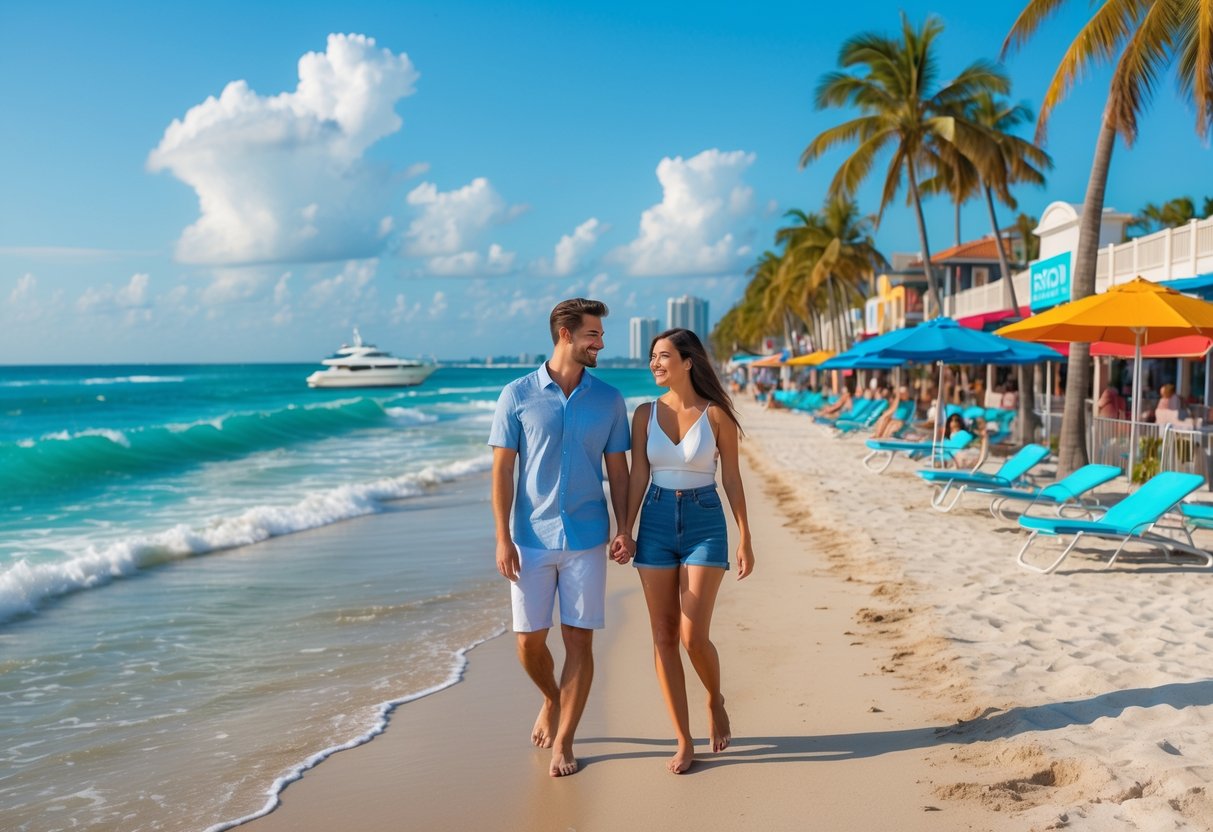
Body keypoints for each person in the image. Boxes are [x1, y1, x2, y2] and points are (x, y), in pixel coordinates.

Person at [489, 298, 632, 777]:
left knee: (579, 642)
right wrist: (502, 538)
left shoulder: (609, 399)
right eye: (594, 334)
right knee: (529, 642)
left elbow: (619, 470)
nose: (601, 343)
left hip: (588, 536)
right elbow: (503, 470)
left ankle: (565, 742)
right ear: (565, 335)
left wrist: (625, 527)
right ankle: (553, 698)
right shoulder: (517, 395)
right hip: (529, 537)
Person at [614, 328, 755, 775]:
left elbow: (731, 478)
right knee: (662, 636)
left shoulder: (717, 416)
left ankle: (715, 699)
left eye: (662, 356)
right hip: (654, 519)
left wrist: (745, 535)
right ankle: (682, 738)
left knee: (693, 636)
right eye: (652, 357)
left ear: (688, 361)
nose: (654, 364)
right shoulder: (643, 414)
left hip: (704, 521)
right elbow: (637, 476)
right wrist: (626, 529)